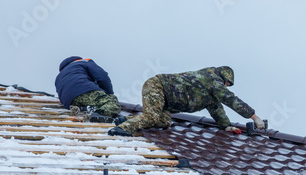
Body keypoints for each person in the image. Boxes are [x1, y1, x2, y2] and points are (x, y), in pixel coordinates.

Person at [108, 66, 265, 136]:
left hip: (166, 100)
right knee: (151, 117)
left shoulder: (210, 94)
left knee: (164, 121)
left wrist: (226, 127)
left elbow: (218, 110)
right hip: (158, 87)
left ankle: (126, 119)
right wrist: (254, 117)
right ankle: (122, 128)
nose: (226, 87)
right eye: (227, 84)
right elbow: (230, 99)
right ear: (223, 78)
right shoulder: (212, 80)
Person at [55, 56, 121, 123]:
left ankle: (84, 109)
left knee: (88, 103)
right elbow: (103, 77)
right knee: (112, 101)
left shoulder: (59, 77)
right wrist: (108, 94)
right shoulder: (84, 62)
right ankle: (99, 114)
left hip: (70, 103)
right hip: (85, 91)